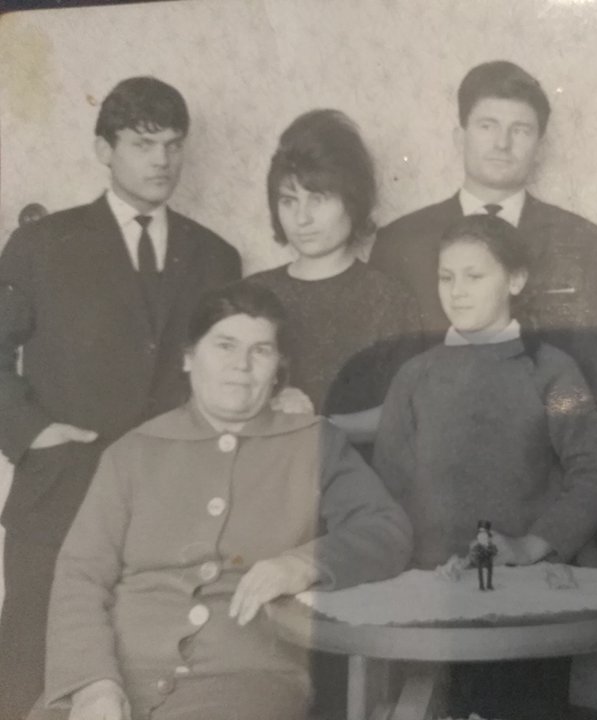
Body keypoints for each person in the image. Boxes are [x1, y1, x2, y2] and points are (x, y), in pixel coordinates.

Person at [30, 282, 412, 720]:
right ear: (189, 357)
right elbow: (80, 576)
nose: (241, 366)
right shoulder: (131, 453)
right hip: (116, 673)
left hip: (246, 679)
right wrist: (93, 686)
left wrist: (302, 563)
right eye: (225, 346)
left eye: (261, 350)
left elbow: (386, 527)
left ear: (278, 368)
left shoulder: (313, 442)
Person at [0, 76, 241, 719]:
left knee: (148, 678)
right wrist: (33, 433)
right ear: (104, 150)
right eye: (142, 143)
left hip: (170, 505)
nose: (162, 160)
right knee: (30, 678)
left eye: (173, 144)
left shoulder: (216, 257)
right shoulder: (41, 245)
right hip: (59, 498)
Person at [373, 214, 597, 720]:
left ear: (516, 280)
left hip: (524, 595)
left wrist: (530, 546)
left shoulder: (553, 372)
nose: (457, 291)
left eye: (474, 275)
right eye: (446, 277)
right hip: (432, 596)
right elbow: (387, 492)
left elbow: (594, 475)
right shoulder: (414, 377)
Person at [369, 60, 597, 362]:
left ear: (540, 147)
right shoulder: (399, 243)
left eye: (520, 130)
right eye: (487, 126)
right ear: (460, 137)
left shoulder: (584, 242)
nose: (502, 143)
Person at [247, 109, 421, 445]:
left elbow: (405, 412)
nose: (302, 218)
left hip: (357, 472)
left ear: (352, 202)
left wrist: (318, 425)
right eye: (289, 201)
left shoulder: (390, 300)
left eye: (318, 199)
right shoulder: (251, 294)